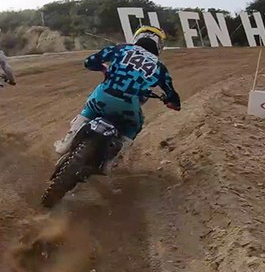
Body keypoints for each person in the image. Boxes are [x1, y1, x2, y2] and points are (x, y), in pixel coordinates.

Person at [51, 25, 181, 173]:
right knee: (134, 127)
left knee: (89, 110)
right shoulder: (159, 67)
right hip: (129, 106)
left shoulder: (121, 49)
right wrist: (171, 103)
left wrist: (102, 68)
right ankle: (109, 163)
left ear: (137, 37)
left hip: (102, 96)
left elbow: (89, 62)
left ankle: (66, 143)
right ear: (159, 45)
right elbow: (172, 96)